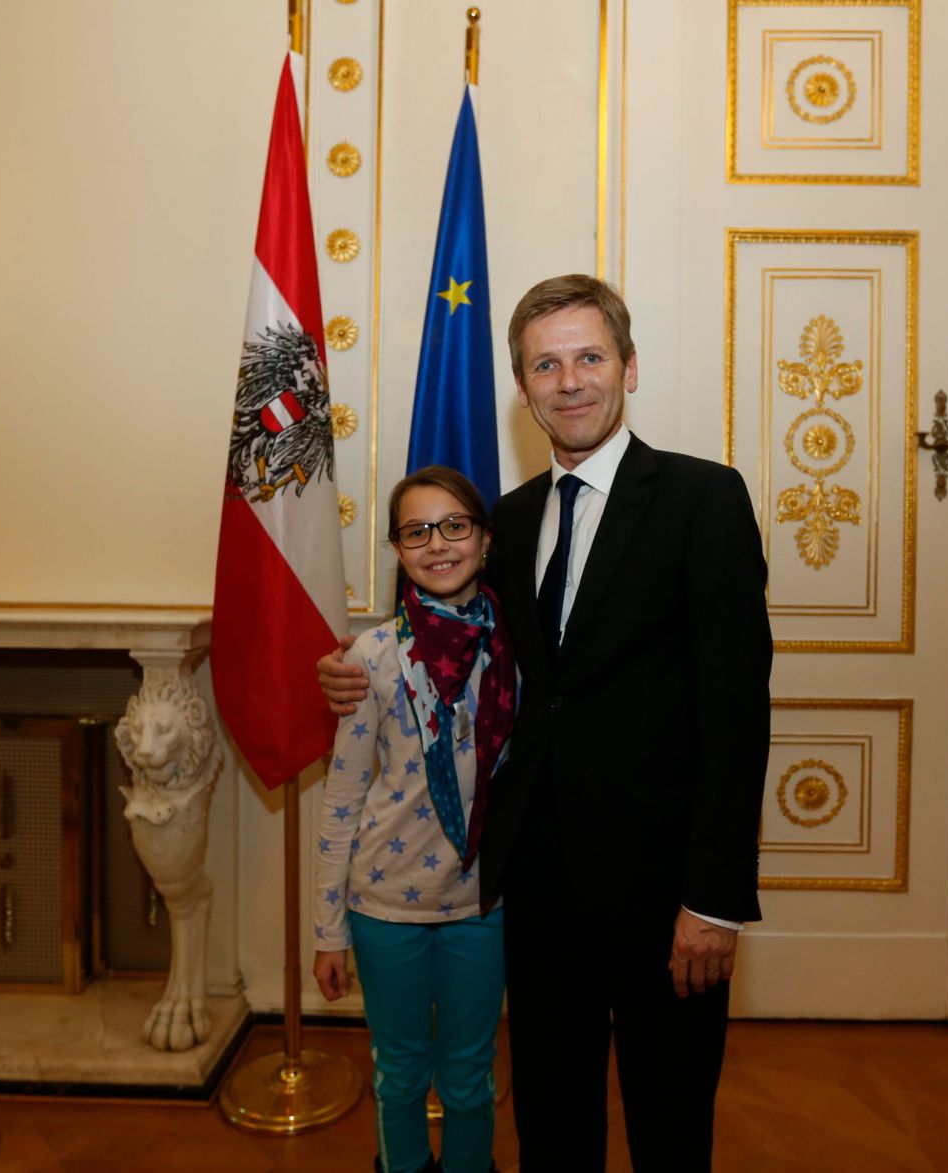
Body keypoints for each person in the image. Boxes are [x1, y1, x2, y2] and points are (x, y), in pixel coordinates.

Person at [320, 274, 772, 1169]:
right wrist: (346, 669)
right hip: (537, 882)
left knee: (669, 1117)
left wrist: (714, 898)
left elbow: (737, 706)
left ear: (628, 367)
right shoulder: (511, 520)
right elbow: (452, 634)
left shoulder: (703, 500)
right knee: (552, 1116)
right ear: (523, 391)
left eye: (589, 357)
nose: (570, 381)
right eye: (545, 365)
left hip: (663, 886)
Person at [311, 465, 513, 1173]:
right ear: (398, 549)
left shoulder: (515, 653)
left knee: (468, 1074)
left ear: (485, 539)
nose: (438, 543)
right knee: (399, 1073)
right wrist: (328, 928)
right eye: (417, 530)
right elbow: (341, 798)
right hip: (383, 903)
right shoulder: (371, 656)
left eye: (455, 525)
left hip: (479, 904)